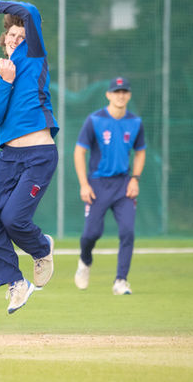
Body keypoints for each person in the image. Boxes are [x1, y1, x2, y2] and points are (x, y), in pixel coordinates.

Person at [0, 0, 59, 314]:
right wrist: (6, 82)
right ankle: (16, 282)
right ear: (3, 39)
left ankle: (41, 248)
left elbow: (31, 12)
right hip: (7, 157)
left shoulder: (35, 56)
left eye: (20, 36)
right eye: (10, 35)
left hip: (39, 154)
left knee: (13, 219)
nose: (14, 39)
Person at [73, 77, 146, 295]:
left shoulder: (135, 122)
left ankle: (120, 281)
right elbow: (79, 151)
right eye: (116, 91)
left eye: (124, 91)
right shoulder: (94, 120)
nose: (120, 95)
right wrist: (84, 184)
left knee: (127, 231)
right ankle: (85, 262)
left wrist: (135, 178)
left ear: (129, 95)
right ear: (108, 95)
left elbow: (140, 151)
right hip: (97, 183)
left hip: (124, 184)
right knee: (91, 234)